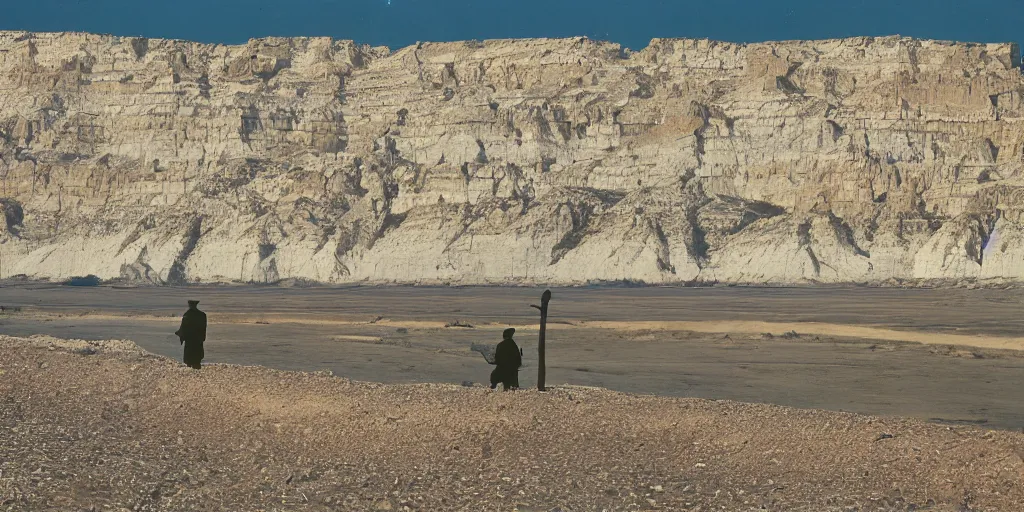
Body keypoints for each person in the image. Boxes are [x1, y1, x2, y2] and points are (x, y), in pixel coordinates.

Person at [175, 300, 207, 369]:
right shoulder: (202, 315)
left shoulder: (187, 314)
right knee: (197, 360)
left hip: (190, 340)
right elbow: (204, 328)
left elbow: (183, 328)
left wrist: (179, 334)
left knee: (189, 360)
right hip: (198, 340)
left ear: (189, 305)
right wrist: (203, 338)